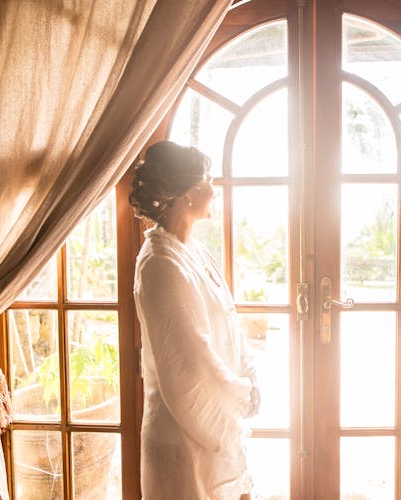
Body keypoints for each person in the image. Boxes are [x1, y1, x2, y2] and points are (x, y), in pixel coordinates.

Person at [130, 141, 260, 500]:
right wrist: (240, 395)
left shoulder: (196, 252)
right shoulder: (159, 263)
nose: (213, 189)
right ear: (186, 194)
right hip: (181, 434)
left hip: (213, 422)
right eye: (206, 180)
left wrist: (248, 376)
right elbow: (191, 357)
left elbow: (229, 324)